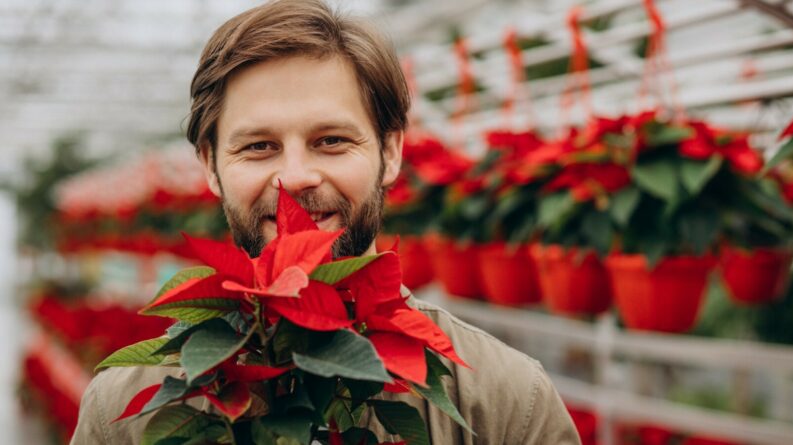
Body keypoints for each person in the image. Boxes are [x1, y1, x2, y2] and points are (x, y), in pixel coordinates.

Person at [70, 1, 580, 443]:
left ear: (390, 152)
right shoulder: (122, 411)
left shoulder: (507, 403)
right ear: (210, 166)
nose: (295, 178)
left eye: (331, 140)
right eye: (259, 146)